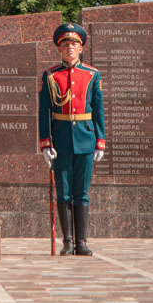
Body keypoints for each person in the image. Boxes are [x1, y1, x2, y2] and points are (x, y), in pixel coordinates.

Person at [38, 22, 105, 256]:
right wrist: (45, 143)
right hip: (61, 140)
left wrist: (100, 140)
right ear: (59, 48)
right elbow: (44, 111)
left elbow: (98, 109)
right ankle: (67, 241)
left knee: (82, 193)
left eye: (74, 44)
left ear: (81, 48)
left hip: (86, 138)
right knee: (64, 192)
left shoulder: (92, 74)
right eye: (65, 44)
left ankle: (82, 242)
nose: (70, 48)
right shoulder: (50, 76)